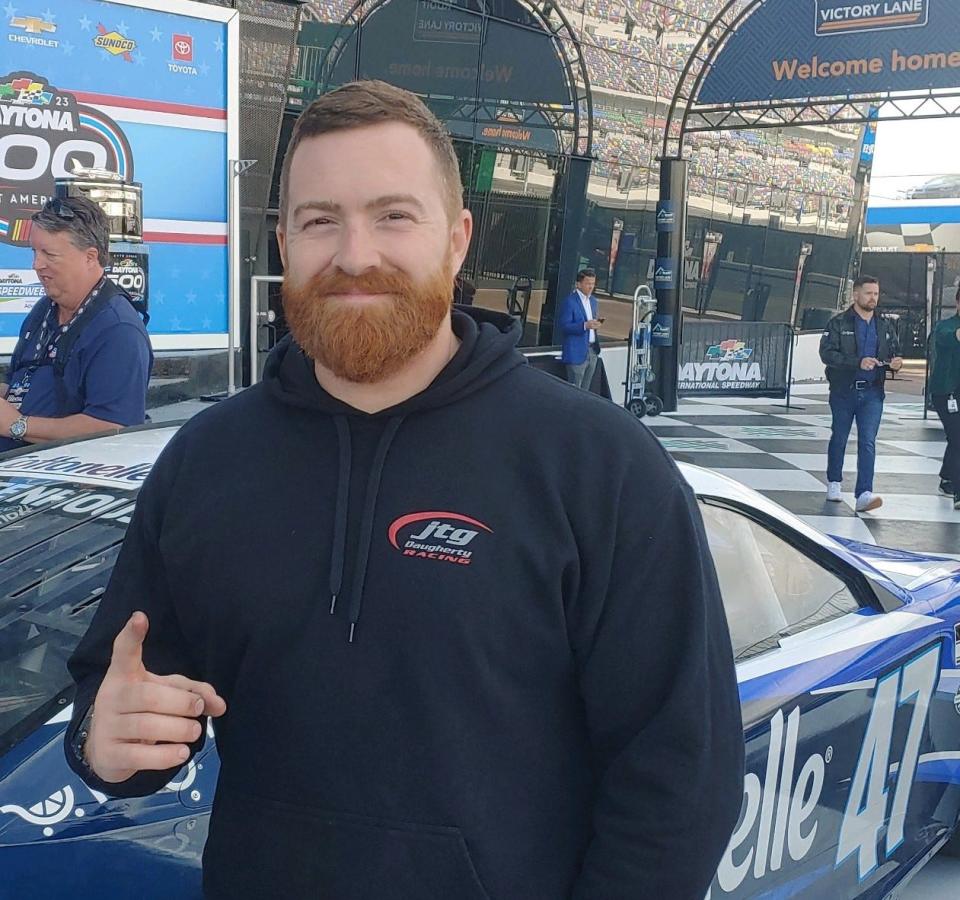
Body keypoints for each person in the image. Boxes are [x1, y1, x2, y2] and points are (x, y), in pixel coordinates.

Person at [65, 80, 743, 900]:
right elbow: (120, 698)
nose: (355, 254)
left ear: (457, 240)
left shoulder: (600, 466)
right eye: (320, 220)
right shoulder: (206, 460)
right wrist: (102, 744)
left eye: (393, 215)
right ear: (284, 244)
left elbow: (679, 782)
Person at [0, 196, 152, 452]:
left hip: (57, 482)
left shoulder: (118, 330)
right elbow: (22, 385)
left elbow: (113, 428)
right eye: (34, 252)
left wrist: (17, 425)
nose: (36, 265)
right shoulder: (45, 308)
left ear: (90, 257)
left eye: (49, 254)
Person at [819, 275, 903, 513]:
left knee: (868, 441)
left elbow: (894, 351)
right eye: (868, 293)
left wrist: (895, 363)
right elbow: (827, 354)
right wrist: (857, 362)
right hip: (844, 391)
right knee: (840, 437)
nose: (873, 298)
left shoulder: (884, 325)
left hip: (873, 392)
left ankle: (864, 492)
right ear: (856, 295)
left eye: (876, 293)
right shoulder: (838, 323)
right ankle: (834, 481)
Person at [929, 285, 960, 508]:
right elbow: (946, 337)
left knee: (956, 437)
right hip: (946, 392)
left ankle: (947, 477)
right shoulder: (945, 327)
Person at [559, 267, 604, 390]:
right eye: (588, 283)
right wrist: (584, 325)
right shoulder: (570, 302)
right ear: (578, 284)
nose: (591, 287)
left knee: (586, 389)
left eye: (593, 284)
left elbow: (591, 322)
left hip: (592, 351)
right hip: (576, 351)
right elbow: (564, 326)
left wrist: (595, 325)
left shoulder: (593, 301)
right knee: (575, 389)